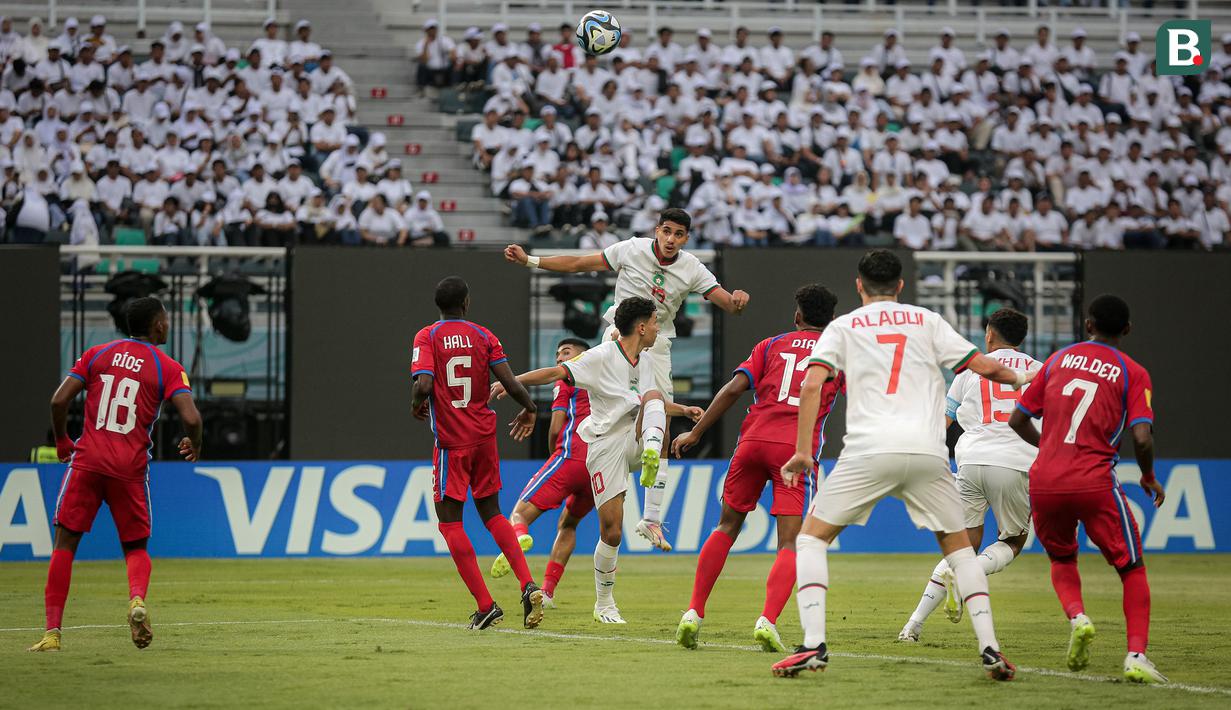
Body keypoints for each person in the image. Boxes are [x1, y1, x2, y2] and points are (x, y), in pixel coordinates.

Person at [772, 250, 1027, 681]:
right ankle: (991, 650)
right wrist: (1023, 379)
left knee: (812, 540)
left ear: (859, 285)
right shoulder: (926, 321)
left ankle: (813, 645)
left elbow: (813, 382)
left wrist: (801, 450)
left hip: (869, 450)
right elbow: (984, 367)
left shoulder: (844, 326)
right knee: (961, 551)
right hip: (928, 452)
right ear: (901, 286)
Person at [504, 208, 750, 551]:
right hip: (618, 341)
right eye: (666, 231)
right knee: (615, 415)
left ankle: (650, 518)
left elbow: (727, 303)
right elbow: (578, 264)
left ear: (686, 239)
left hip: (657, 346)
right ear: (656, 230)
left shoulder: (692, 267)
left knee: (659, 423)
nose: (670, 239)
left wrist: (738, 302)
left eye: (678, 234)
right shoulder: (631, 249)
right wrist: (531, 261)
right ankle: (604, 455)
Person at [673, 285, 845, 653]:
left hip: (752, 442)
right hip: (795, 450)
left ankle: (693, 613)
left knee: (726, 526)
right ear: (832, 321)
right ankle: (767, 620)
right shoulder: (839, 354)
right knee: (790, 542)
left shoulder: (770, 345)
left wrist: (696, 432)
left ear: (797, 317)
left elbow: (734, 389)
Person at [1008, 295, 1167, 684]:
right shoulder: (1133, 372)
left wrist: (1048, 450)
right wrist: (1147, 476)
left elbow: (1017, 419)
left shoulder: (1059, 360)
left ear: (1088, 324)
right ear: (1126, 330)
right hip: (1094, 481)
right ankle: (1135, 655)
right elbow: (1142, 438)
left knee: (1062, 559)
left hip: (1044, 480)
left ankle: (1078, 617)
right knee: (1131, 567)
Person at [28, 297, 203, 653]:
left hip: (88, 462)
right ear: (156, 326)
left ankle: (52, 634)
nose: (167, 326)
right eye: (166, 320)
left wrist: (63, 440)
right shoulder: (166, 366)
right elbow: (193, 419)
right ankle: (137, 600)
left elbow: (59, 401)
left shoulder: (96, 353)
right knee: (135, 547)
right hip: (130, 469)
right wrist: (194, 443)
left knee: (65, 545)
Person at [495, 298, 670, 624]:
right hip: (602, 447)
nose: (660, 327)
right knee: (612, 531)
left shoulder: (646, 362)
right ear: (642, 327)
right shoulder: (601, 356)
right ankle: (603, 603)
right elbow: (554, 372)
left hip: (631, 439)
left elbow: (647, 403)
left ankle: (651, 515)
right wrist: (510, 381)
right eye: (656, 321)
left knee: (657, 399)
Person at [410, 277, 545, 630]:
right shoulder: (484, 335)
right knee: (492, 513)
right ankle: (528, 583)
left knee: (450, 522)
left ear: (439, 306)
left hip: (452, 443)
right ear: (466, 304)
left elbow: (423, 384)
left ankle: (486, 605)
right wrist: (531, 408)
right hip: (484, 437)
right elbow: (510, 381)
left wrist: (416, 402)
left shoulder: (428, 336)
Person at [899, 308, 1041, 642]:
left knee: (961, 548)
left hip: (971, 460)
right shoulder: (1039, 370)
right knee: (1013, 541)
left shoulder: (969, 372)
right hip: (1015, 462)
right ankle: (971, 572)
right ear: (1023, 338)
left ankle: (913, 625)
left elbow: (943, 422)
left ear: (990, 335)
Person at [487, 338, 596, 607]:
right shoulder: (607, 378)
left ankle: (520, 535)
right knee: (569, 524)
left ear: (585, 355)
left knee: (519, 514)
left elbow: (557, 426)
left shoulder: (568, 379)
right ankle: (547, 592)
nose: (560, 359)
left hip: (571, 456)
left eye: (566, 353)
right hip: (601, 466)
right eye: (558, 354)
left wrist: (555, 456)